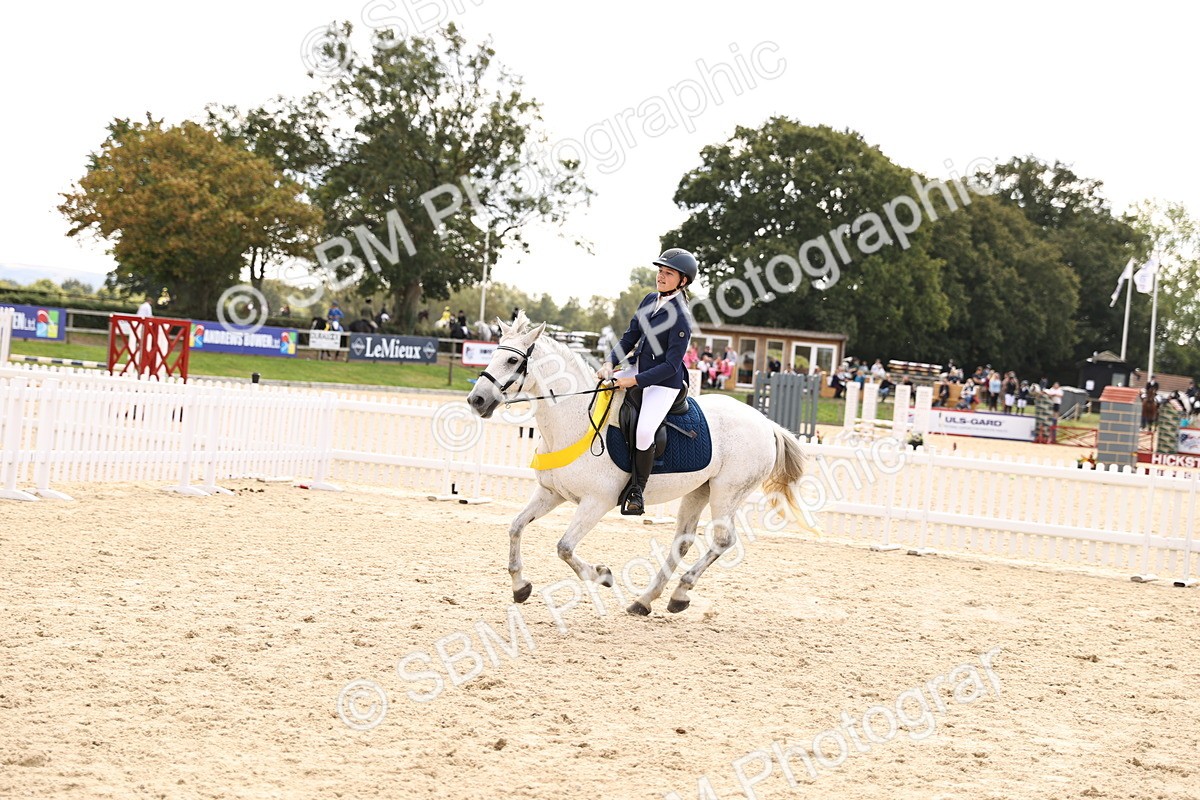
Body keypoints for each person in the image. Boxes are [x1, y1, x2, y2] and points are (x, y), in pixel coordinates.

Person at [597, 248, 697, 516]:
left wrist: (634, 381)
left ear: (683, 281)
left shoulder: (682, 318)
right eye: (660, 272)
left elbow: (670, 366)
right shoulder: (649, 300)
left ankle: (636, 490)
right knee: (599, 394)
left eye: (668, 273)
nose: (660, 277)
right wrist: (610, 362)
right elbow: (630, 337)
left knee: (644, 432)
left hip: (663, 383)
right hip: (637, 369)